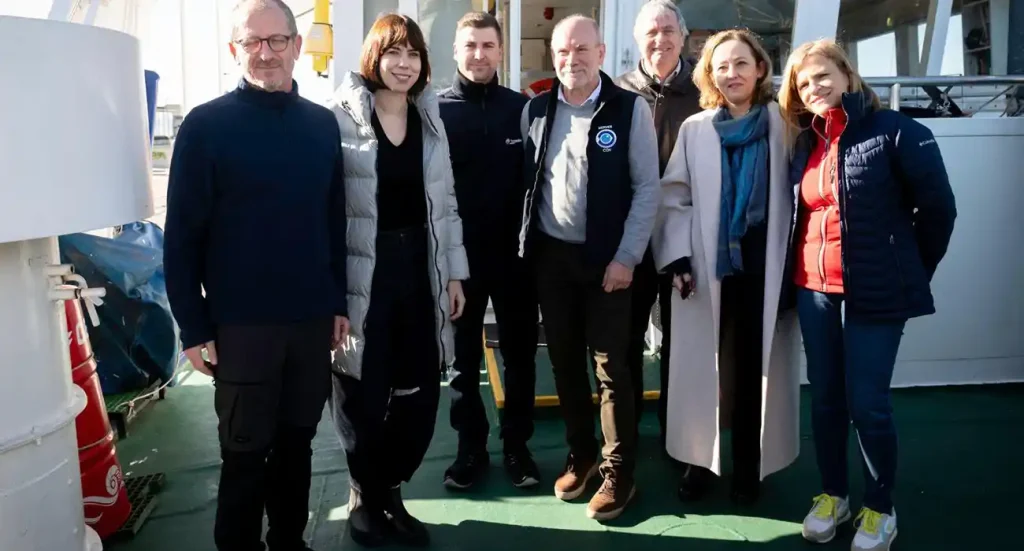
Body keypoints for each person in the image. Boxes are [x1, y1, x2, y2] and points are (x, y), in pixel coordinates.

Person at [163, 1, 348, 550]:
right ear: (234, 50)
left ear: (296, 44)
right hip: (241, 328)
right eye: (252, 42)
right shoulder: (205, 127)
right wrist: (193, 328)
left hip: (311, 321)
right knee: (244, 454)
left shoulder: (321, 126)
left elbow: (332, 221)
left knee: (297, 446)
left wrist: (336, 301)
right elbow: (182, 238)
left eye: (276, 40)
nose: (265, 53)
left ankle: (288, 543)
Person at [778, 39, 956, 550]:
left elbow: (939, 211)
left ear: (846, 74)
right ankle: (834, 494)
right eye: (803, 82)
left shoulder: (898, 132)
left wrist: (910, 272)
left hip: (876, 292)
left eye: (822, 75)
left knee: (869, 403)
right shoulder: (805, 142)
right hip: (814, 291)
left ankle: (880, 505)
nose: (814, 87)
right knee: (826, 399)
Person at [327, 13, 469, 548]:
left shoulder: (430, 119)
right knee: (361, 386)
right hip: (365, 267)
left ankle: (391, 488)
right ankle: (364, 492)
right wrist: (331, 293)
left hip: (421, 268)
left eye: (413, 55)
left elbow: (447, 204)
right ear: (374, 58)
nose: (404, 64)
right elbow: (326, 211)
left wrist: (455, 274)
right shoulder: (339, 120)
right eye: (394, 53)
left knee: (418, 387)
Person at [651, 28, 802, 506]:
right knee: (705, 369)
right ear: (709, 75)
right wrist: (676, 256)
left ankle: (748, 468)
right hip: (708, 271)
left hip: (767, 268)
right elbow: (673, 195)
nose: (731, 73)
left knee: (754, 371)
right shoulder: (697, 129)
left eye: (741, 63)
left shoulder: (787, 124)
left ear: (760, 68)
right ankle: (700, 462)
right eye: (721, 65)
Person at [518, 14, 660, 521]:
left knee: (611, 368)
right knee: (562, 363)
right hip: (552, 260)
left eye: (582, 49)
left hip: (609, 261)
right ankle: (582, 456)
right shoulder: (536, 110)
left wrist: (626, 257)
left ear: (602, 53)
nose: (571, 60)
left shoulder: (628, 109)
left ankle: (619, 469)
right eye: (562, 52)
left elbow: (648, 188)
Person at [436, 11, 540, 491]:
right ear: (456, 51)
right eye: (470, 45)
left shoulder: (522, 109)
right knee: (462, 363)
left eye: (487, 46)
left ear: (501, 52)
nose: (479, 55)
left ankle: (517, 448)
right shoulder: (435, 113)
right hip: (460, 261)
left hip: (516, 260)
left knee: (520, 356)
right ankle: (470, 449)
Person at [613, 0, 701, 446]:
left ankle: (678, 437)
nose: (660, 39)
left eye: (668, 30)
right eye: (651, 31)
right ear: (637, 38)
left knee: (681, 345)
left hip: (687, 239)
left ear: (683, 37)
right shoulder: (619, 91)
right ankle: (624, 434)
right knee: (626, 340)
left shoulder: (705, 91)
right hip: (633, 237)